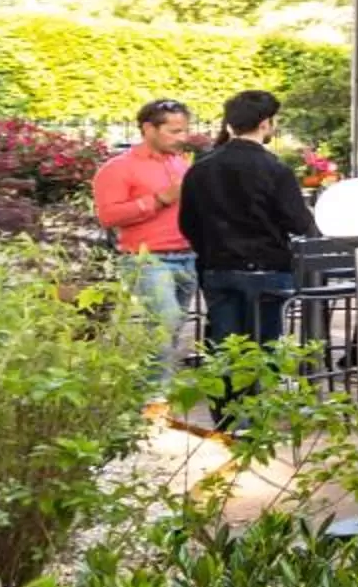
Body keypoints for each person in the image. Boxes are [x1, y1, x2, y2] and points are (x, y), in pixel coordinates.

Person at [177, 88, 318, 422]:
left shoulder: (201, 168)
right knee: (263, 346)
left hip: (218, 265)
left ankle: (226, 418)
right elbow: (298, 221)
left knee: (224, 345)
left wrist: (209, 248)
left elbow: (188, 222)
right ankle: (253, 418)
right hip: (268, 267)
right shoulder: (275, 170)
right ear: (266, 123)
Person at [94, 98, 197, 410]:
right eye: (174, 131)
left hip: (187, 255)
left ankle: (156, 391)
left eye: (184, 130)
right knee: (163, 324)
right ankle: (153, 397)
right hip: (148, 259)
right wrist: (161, 199)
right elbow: (108, 216)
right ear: (148, 128)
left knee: (175, 326)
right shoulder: (118, 169)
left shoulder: (180, 164)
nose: (182, 137)